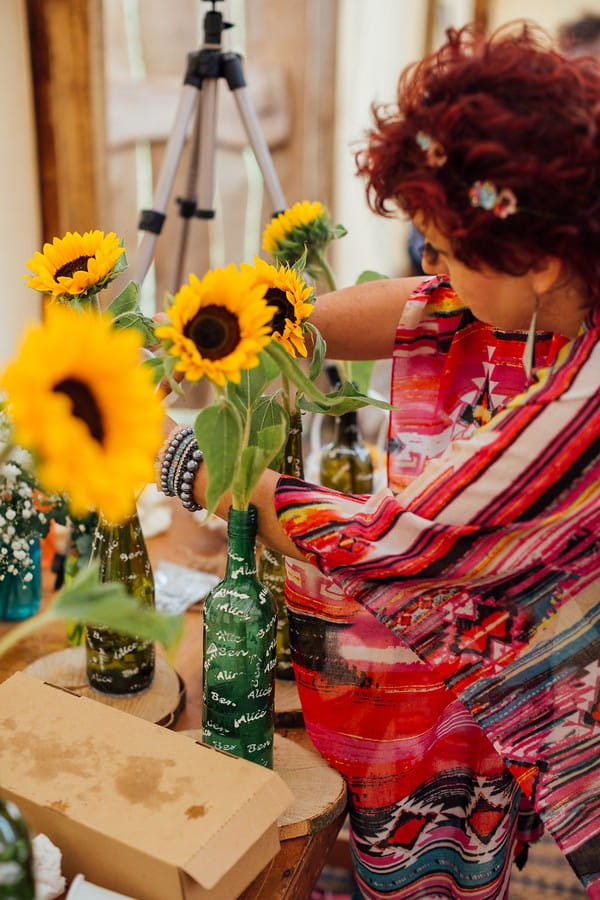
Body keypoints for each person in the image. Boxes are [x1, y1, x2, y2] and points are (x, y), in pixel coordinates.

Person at [158, 22, 600, 900]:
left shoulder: (577, 410)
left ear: (541, 260)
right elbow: (426, 307)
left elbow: (384, 540)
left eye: (444, 246)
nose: (429, 266)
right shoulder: (547, 299)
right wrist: (273, 320)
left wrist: (175, 456)